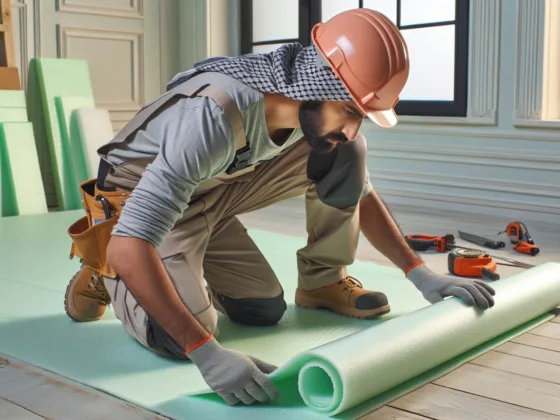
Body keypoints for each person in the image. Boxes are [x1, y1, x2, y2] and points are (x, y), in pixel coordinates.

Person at [65, 8, 495, 407]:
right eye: (348, 109)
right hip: (135, 206)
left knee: (263, 308)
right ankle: (102, 271)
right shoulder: (213, 116)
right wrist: (207, 355)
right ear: (317, 83)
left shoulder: (300, 110)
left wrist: (419, 274)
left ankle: (323, 282)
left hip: (213, 189)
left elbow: (360, 192)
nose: (351, 126)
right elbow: (131, 243)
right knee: (180, 338)